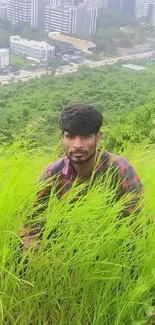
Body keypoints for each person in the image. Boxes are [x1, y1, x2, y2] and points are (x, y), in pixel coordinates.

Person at [21, 103, 143, 250]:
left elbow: (137, 224)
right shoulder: (53, 173)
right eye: (70, 136)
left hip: (110, 248)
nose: (77, 145)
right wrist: (36, 251)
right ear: (62, 137)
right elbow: (30, 219)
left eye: (85, 136)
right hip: (63, 248)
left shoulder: (119, 169)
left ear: (98, 136)